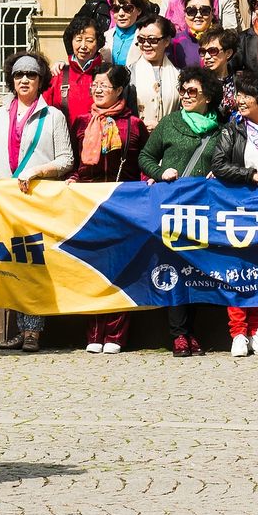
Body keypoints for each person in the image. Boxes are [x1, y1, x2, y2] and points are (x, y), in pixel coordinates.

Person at [0, 52, 75, 353]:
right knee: (12, 264)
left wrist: (38, 171)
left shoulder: (53, 116)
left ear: (40, 80)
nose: (24, 80)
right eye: (19, 74)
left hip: (36, 199)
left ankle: (33, 331)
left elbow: (66, 159)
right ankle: (19, 329)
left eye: (31, 75)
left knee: (33, 263)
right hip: (6, 201)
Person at [138, 67, 224, 357]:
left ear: (208, 97)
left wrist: (219, 173)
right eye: (183, 90)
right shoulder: (171, 122)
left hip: (204, 209)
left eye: (192, 92)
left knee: (197, 270)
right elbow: (145, 156)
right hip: (173, 206)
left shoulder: (220, 128)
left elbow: (228, 159)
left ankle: (193, 331)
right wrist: (162, 172)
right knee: (174, 268)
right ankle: (178, 335)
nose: (185, 96)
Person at [68, 64, 150, 354]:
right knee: (92, 268)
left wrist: (147, 184)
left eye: (104, 85)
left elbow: (141, 163)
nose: (97, 89)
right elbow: (79, 164)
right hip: (89, 204)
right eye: (95, 84)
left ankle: (115, 334)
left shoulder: (133, 125)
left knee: (120, 268)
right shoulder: (80, 122)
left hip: (122, 203)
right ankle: (93, 331)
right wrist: (73, 181)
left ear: (118, 90)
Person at [211, 72, 258, 357]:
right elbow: (219, 165)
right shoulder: (232, 130)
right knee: (238, 270)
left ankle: (257, 331)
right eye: (239, 95)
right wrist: (249, 175)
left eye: (247, 96)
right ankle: (237, 332)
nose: (240, 101)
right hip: (239, 208)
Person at [42, 13, 107, 124]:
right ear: (71, 41)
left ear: (98, 43)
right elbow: (43, 111)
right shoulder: (58, 74)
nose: (83, 46)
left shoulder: (106, 74)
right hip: (64, 138)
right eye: (78, 39)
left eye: (89, 40)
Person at [129, 14, 181, 132]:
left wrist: (163, 127)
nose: (146, 45)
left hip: (169, 139)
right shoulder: (129, 73)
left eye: (152, 40)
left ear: (166, 41)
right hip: (137, 140)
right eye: (141, 40)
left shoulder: (179, 75)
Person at [169, 0, 218, 68]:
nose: (198, 15)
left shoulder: (223, 40)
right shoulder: (174, 43)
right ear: (185, 14)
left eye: (204, 11)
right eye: (191, 11)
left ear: (212, 13)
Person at [101, 0, 146, 67]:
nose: (121, 13)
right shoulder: (104, 37)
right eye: (116, 8)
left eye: (127, 8)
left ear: (139, 10)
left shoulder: (146, 38)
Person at [199, 27, 239, 115]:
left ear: (228, 53)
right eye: (203, 52)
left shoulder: (240, 80)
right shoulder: (199, 81)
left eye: (212, 51)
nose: (207, 57)